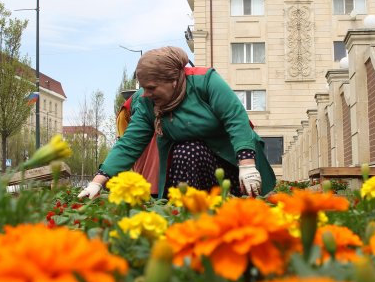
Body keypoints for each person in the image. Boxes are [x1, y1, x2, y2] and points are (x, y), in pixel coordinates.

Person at [79, 46, 275, 199]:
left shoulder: (205, 81)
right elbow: (129, 144)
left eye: (151, 87)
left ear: (173, 80)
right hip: (189, 166)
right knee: (187, 150)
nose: (146, 93)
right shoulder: (147, 102)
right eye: (144, 88)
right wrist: (97, 182)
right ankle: (188, 217)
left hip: (234, 161)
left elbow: (236, 119)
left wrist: (247, 164)